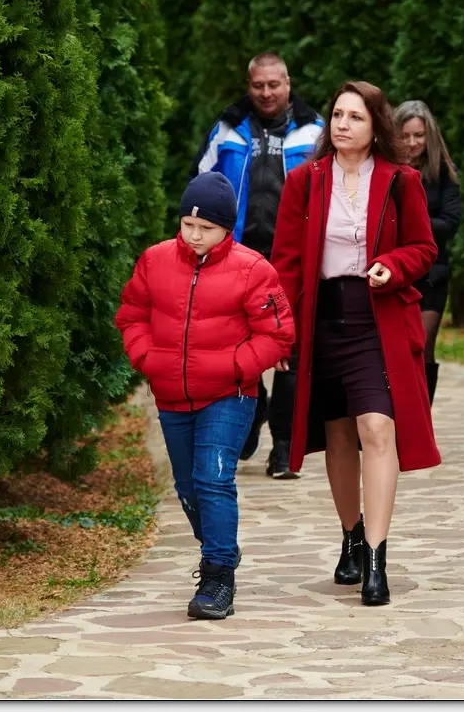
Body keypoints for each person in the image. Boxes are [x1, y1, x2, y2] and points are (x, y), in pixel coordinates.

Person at [270, 80, 440, 606]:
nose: (343, 125)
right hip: (323, 318)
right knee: (339, 434)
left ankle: (376, 558)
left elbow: (424, 248)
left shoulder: (401, 180)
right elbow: (286, 262)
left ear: (376, 126)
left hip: (376, 319)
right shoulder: (304, 181)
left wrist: (393, 264)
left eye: (356, 117)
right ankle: (350, 533)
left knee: (377, 427)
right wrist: (282, 331)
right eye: (338, 115)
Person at [115, 172, 296, 619]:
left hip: (229, 394)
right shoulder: (154, 261)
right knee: (188, 486)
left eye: (206, 228)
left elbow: (277, 334)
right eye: (188, 225)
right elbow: (132, 314)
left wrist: (236, 368)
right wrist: (147, 358)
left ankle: (218, 576)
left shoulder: (253, 269)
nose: (195, 236)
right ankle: (220, 546)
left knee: (213, 479)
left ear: (227, 229)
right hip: (172, 394)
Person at [191, 52, 323, 479]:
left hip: (294, 259)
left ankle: (283, 446)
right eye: (258, 85)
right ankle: (253, 413)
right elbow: (200, 186)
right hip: (237, 257)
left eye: (273, 85)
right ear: (248, 86)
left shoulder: (316, 131)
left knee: (291, 349)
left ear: (288, 84)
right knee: (238, 346)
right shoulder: (227, 129)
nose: (266, 93)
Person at [393, 100, 462, 404]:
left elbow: (450, 223)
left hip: (432, 274)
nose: (412, 143)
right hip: (393, 273)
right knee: (395, 350)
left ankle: (422, 416)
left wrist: (408, 220)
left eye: (418, 135)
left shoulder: (443, 172)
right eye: (405, 135)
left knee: (421, 347)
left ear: (429, 135)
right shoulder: (384, 170)